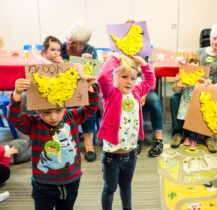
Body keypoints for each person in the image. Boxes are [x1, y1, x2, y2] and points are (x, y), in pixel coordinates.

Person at [7, 75, 99, 210]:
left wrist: (89, 87)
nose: (53, 117)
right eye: (47, 112)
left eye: (58, 110)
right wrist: (17, 94)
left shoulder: (71, 117)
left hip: (72, 181)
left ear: (64, 106)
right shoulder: (34, 124)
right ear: (38, 110)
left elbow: (92, 108)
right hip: (44, 185)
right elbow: (14, 117)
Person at [97, 53, 155, 210]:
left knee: (126, 187)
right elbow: (102, 77)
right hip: (112, 156)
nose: (129, 82)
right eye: (124, 76)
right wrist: (115, 58)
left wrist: (143, 63)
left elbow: (150, 81)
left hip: (131, 153)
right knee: (110, 189)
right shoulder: (110, 94)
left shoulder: (136, 91)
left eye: (133, 78)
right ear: (115, 77)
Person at [170, 24, 217, 152]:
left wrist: (212, 87)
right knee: (175, 98)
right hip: (194, 88)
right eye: (214, 38)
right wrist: (182, 77)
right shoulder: (200, 51)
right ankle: (178, 131)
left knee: (208, 101)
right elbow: (190, 69)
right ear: (210, 37)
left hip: (214, 88)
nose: (216, 42)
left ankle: (208, 137)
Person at [124, 20, 164, 157]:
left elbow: (151, 79)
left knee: (154, 100)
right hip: (127, 91)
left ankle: (159, 139)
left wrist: (144, 93)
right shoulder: (120, 53)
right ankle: (134, 139)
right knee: (129, 102)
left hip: (146, 89)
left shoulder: (146, 53)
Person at [61, 20, 98, 162]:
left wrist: (85, 64)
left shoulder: (90, 51)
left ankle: (89, 146)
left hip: (82, 90)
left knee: (87, 103)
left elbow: (92, 79)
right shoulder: (61, 48)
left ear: (83, 43)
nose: (69, 45)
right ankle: (67, 143)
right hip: (63, 91)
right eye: (68, 40)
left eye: (75, 43)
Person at [172, 52, 201, 151]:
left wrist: (205, 82)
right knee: (185, 120)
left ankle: (193, 139)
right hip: (185, 101)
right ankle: (187, 137)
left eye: (196, 63)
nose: (193, 64)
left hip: (196, 102)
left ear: (199, 65)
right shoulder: (182, 73)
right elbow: (174, 89)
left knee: (193, 121)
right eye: (191, 62)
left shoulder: (201, 74)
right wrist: (177, 81)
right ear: (186, 64)